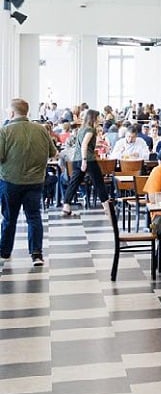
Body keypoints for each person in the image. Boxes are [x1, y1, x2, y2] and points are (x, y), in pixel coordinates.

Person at [0, 99, 58, 269]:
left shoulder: (5, 131)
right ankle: (36, 254)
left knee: (9, 218)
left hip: (10, 181)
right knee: (34, 217)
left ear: (12, 113)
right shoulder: (41, 130)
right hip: (35, 181)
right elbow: (52, 152)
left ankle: (4, 251)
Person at [61, 109, 107, 217]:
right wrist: (84, 160)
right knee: (99, 182)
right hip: (88, 160)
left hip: (76, 159)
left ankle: (66, 206)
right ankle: (107, 207)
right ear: (94, 118)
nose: (100, 119)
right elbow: (84, 145)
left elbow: (83, 143)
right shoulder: (91, 129)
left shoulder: (82, 129)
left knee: (74, 183)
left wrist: (97, 145)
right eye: (98, 117)